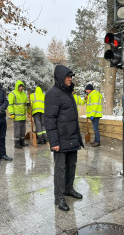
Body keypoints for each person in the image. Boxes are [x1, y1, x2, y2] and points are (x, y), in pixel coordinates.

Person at [45, 65, 84, 212]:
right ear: (60, 78)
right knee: (60, 168)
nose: (70, 79)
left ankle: (69, 189)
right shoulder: (53, 94)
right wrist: (54, 142)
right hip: (60, 139)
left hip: (72, 137)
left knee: (71, 166)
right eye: (67, 76)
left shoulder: (68, 93)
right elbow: (49, 119)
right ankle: (59, 196)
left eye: (71, 77)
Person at [8, 80, 29, 149]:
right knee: (17, 130)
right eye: (20, 86)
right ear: (17, 86)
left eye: (22, 86)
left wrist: (28, 105)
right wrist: (11, 113)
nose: (21, 87)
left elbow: (26, 103)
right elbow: (10, 105)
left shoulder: (24, 94)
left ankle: (22, 142)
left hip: (23, 116)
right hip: (16, 116)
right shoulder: (12, 94)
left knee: (23, 130)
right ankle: (16, 143)